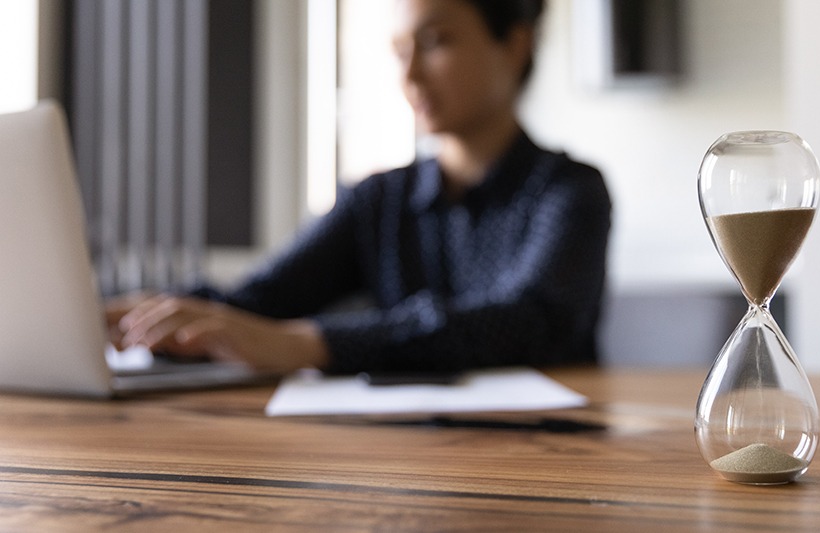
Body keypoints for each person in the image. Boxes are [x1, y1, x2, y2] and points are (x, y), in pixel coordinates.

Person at [106, 0, 612, 376]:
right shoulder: (378, 200)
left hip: (549, 457)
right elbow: (263, 299)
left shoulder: (571, 192)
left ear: (515, 44)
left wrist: (310, 344)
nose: (410, 74)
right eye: (399, 52)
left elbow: (531, 320)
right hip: (410, 461)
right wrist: (145, 314)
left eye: (435, 42)